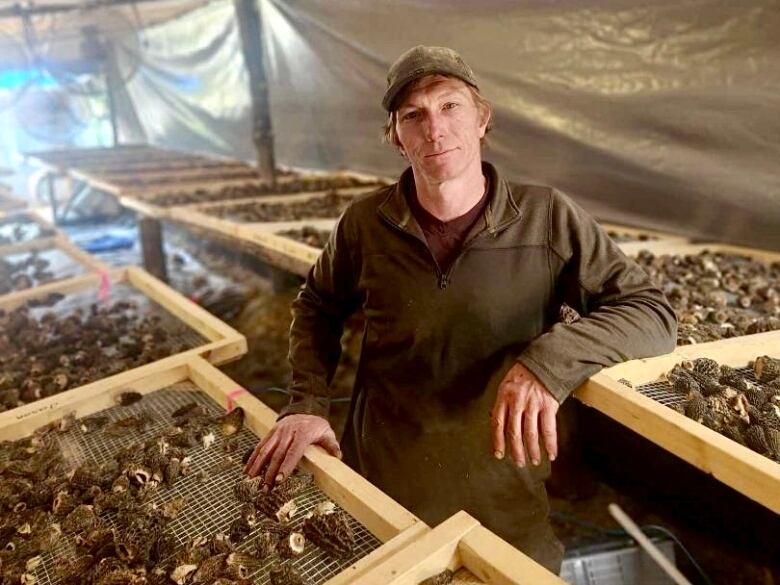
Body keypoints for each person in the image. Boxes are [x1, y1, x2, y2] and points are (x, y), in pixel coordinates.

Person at [245, 45, 677, 572]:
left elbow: (651, 311)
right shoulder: (363, 224)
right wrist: (307, 402)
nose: (435, 129)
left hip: (504, 494)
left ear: (482, 119)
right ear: (396, 139)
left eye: (450, 106)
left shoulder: (545, 218)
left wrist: (545, 364)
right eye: (413, 116)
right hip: (382, 488)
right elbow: (316, 305)